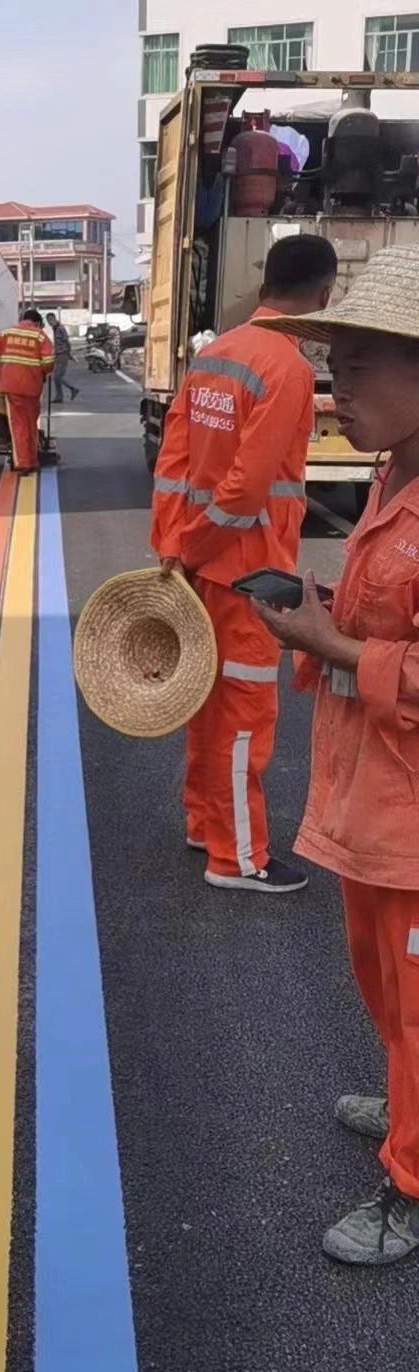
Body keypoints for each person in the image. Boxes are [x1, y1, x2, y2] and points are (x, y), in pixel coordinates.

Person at [255, 246, 419, 1264]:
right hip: (376, 800)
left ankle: (412, 1181)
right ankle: (407, 1095)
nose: (334, 387)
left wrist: (333, 645)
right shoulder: (392, 477)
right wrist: (326, 625)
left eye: (357, 367)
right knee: (383, 984)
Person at [151, 233, 338, 895]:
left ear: (262, 288)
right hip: (248, 576)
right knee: (244, 719)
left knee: (207, 705)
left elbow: (174, 462)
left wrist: (174, 547)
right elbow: (244, 492)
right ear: (322, 295)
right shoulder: (286, 368)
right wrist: (199, 547)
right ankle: (239, 859)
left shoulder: (214, 355)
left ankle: (205, 822)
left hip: (202, 572)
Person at [0, 307, 54, 475]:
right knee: (30, 424)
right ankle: (32, 460)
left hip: (12, 387)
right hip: (33, 388)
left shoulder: (6, 334)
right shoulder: (39, 336)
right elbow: (49, 362)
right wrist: (42, 373)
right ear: (37, 323)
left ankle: (23, 464)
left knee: (18, 426)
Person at [46, 311, 78, 404]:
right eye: (48, 321)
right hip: (58, 354)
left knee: (57, 376)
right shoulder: (55, 329)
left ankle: (72, 389)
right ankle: (59, 396)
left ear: (55, 319)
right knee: (55, 376)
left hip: (63, 354)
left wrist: (69, 354)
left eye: (51, 320)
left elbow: (67, 342)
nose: (50, 322)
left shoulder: (60, 328)